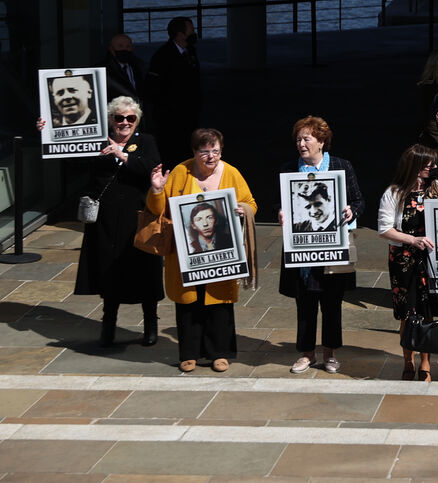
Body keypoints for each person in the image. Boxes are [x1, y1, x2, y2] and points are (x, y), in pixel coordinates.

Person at [40, 97, 163, 347]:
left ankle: (150, 324)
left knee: (144, 271)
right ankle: (108, 325)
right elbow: (70, 157)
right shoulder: (96, 139)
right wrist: (47, 132)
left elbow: (152, 168)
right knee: (108, 271)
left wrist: (122, 155)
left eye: (130, 118)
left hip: (137, 216)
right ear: (111, 120)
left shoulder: (146, 141)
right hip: (106, 218)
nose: (124, 122)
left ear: (137, 120)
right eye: (119, 118)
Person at [147, 128, 256, 373]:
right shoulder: (180, 172)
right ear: (194, 152)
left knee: (219, 304)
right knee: (189, 303)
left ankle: (219, 353)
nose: (211, 156)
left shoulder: (231, 173)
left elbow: (250, 203)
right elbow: (157, 210)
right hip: (186, 255)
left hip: (221, 252)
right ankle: (189, 354)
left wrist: (243, 209)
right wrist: (157, 190)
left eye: (215, 151)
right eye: (205, 152)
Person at [279, 116, 363, 375]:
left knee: (331, 303)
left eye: (306, 139)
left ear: (321, 141)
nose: (301, 144)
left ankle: (330, 353)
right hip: (302, 249)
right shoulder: (289, 170)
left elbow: (358, 201)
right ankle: (307, 354)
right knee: (305, 304)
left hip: (332, 247)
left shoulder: (341, 166)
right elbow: (279, 203)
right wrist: (280, 212)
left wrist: (351, 211)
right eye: (298, 139)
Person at [378, 144, 438, 382]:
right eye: (429, 164)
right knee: (407, 313)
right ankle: (408, 360)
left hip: (431, 258)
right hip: (404, 260)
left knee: (428, 312)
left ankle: (425, 363)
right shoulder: (394, 193)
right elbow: (384, 229)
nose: (433, 167)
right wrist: (412, 240)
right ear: (415, 167)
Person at [144, 17, 202, 170]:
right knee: (172, 153)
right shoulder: (162, 56)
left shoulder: (190, 52)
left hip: (189, 114)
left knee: (188, 150)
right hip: (170, 117)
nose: (194, 34)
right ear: (180, 35)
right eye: (191, 31)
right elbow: (153, 89)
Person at [106, 33, 145, 102]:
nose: (125, 49)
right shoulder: (106, 70)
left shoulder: (139, 66)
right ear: (111, 49)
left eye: (128, 46)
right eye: (120, 46)